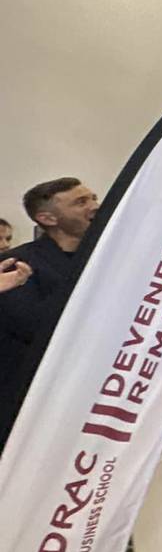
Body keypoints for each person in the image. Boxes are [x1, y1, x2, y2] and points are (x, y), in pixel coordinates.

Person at [0, 178, 100, 451]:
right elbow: (36, 327)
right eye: (80, 202)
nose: (94, 206)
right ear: (47, 218)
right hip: (33, 409)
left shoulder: (105, 256)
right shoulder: (15, 265)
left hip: (93, 398)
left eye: (93, 197)